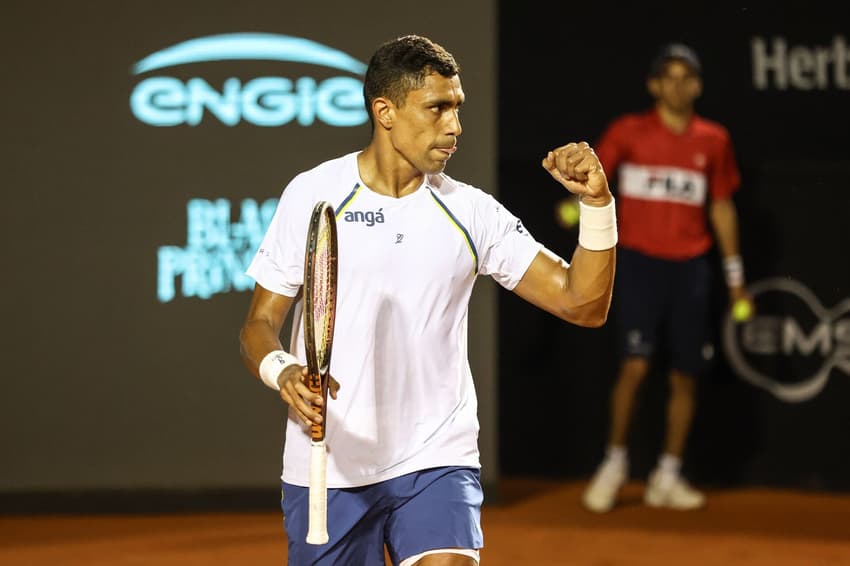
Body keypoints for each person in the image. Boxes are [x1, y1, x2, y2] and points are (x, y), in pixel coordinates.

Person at [239, 35, 617, 565]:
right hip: (330, 464)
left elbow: (583, 304)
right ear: (385, 111)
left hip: (438, 456)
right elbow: (259, 323)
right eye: (437, 108)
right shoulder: (313, 193)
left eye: (457, 108)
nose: (454, 126)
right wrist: (283, 371)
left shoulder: (472, 212)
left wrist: (597, 205)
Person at [582, 43, 751, 513]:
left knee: (685, 376)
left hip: (691, 269)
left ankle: (667, 475)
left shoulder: (713, 140)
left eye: (686, 78)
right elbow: (598, 176)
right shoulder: (628, 132)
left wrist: (735, 276)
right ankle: (614, 465)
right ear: (654, 85)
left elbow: (720, 205)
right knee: (634, 367)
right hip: (638, 265)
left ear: (696, 85)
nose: (677, 86)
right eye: (668, 77)